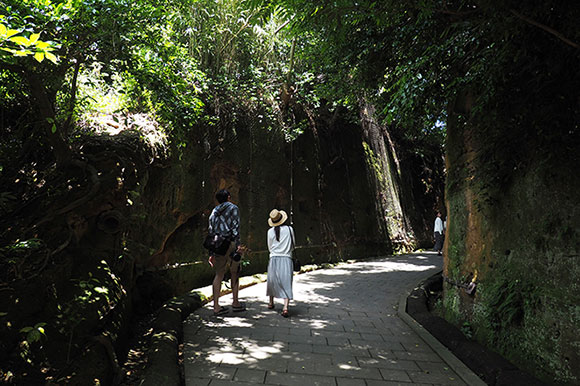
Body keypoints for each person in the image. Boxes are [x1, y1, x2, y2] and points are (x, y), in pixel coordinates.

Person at [208, 189, 246, 316]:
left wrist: (211, 253)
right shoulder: (233, 208)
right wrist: (238, 245)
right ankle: (235, 303)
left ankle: (216, 307)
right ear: (228, 197)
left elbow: (211, 232)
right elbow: (235, 227)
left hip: (218, 244)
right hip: (231, 243)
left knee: (218, 274)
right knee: (235, 272)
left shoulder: (214, 212)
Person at [266, 209, 295, 318]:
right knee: (286, 281)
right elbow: (293, 244)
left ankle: (271, 302)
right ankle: (285, 307)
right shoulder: (289, 229)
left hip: (274, 258)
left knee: (272, 280)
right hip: (286, 258)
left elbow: (269, 247)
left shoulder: (269, 232)